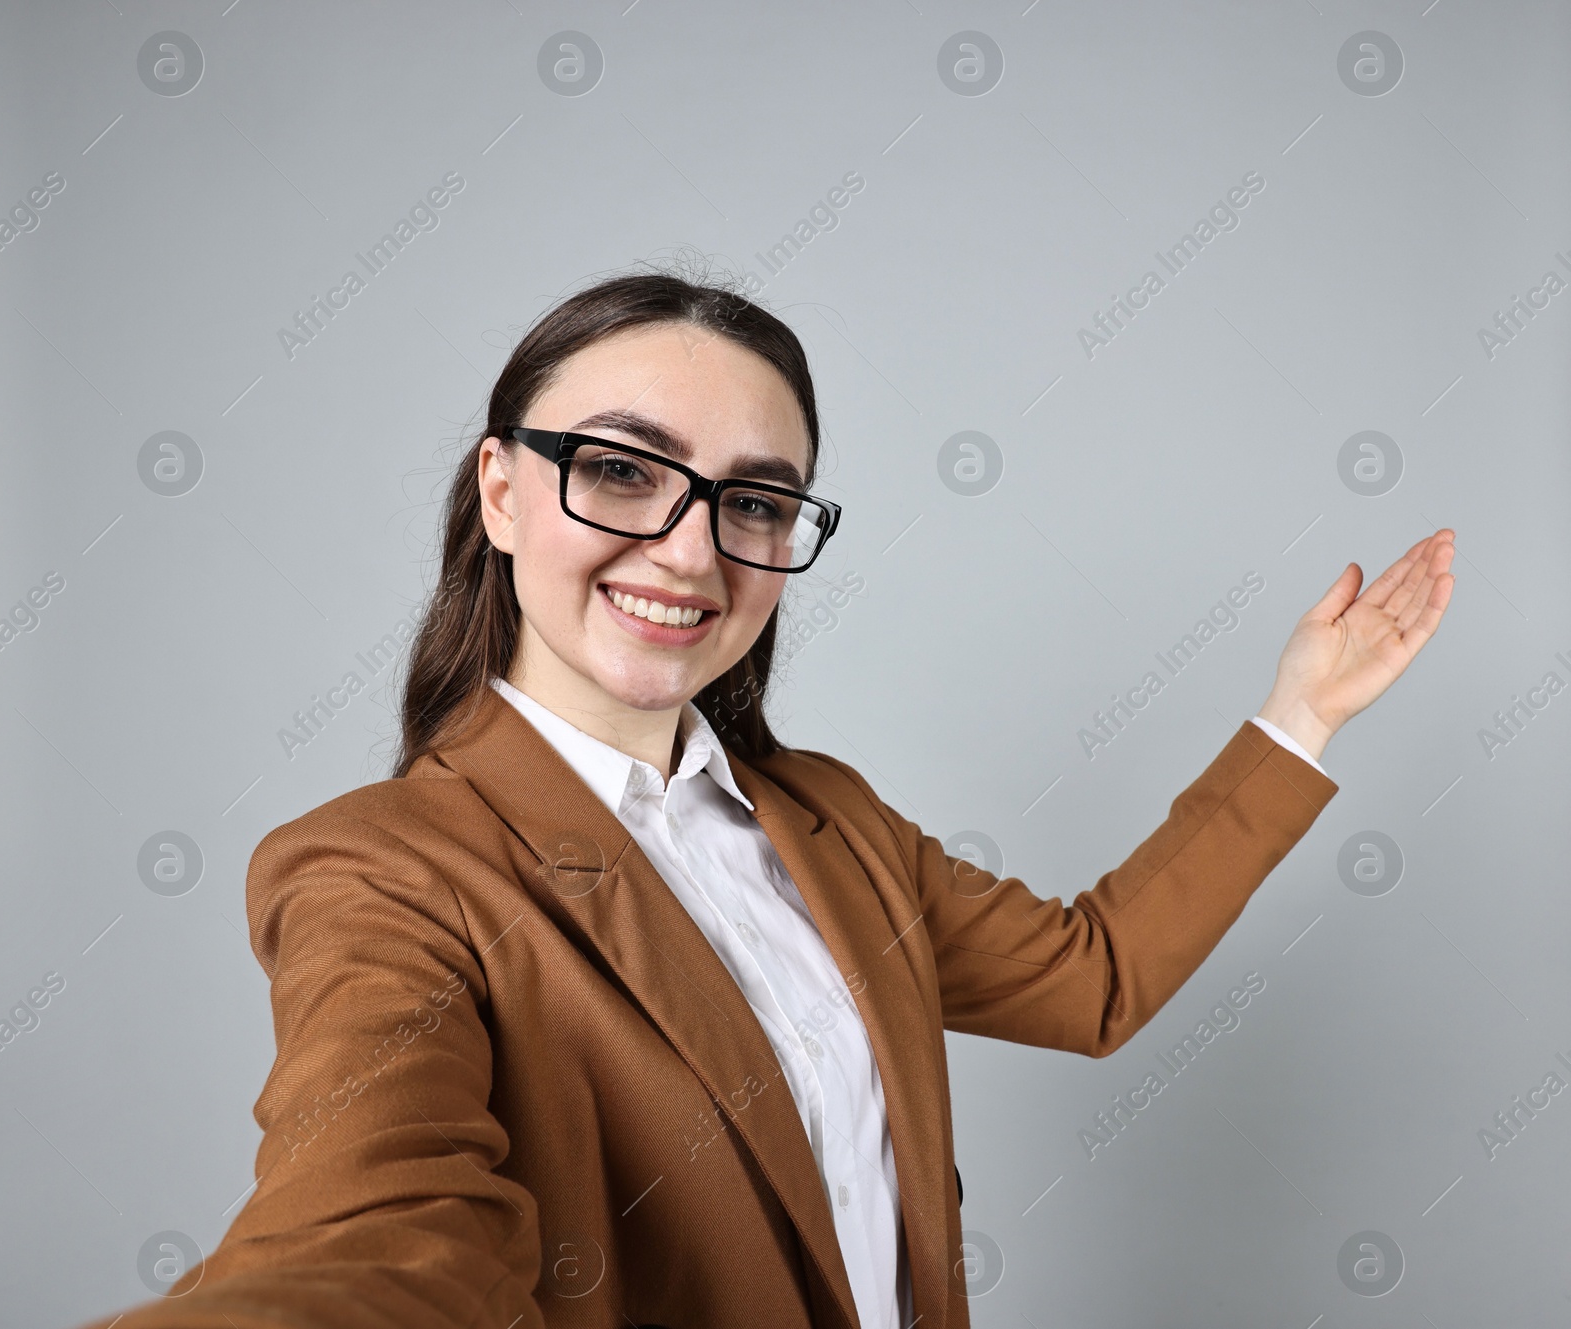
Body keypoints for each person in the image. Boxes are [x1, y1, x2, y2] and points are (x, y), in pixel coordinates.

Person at [77, 267, 1455, 1329]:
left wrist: (1304, 714)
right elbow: (375, 1225)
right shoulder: (381, 868)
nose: (689, 548)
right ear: (501, 490)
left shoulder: (830, 820)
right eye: (619, 468)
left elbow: (1092, 978)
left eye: (756, 501)